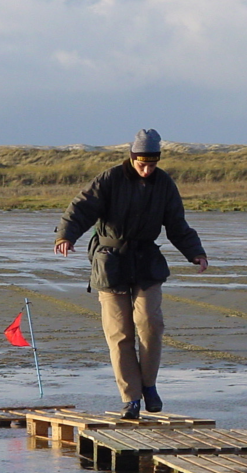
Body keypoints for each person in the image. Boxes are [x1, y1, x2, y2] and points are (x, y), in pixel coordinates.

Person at [54, 129, 208, 419]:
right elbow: (81, 209)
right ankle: (131, 399)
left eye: (152, 164)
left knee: (150, 324)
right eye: (142, 164)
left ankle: (149, 386)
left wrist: (195, 252)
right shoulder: (109, 179)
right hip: (110, 262)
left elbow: (176, 223)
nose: (147, 170)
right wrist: (66, 236)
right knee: (119, 333)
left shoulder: (164, 183)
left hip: (147, 261)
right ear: (132, 157)